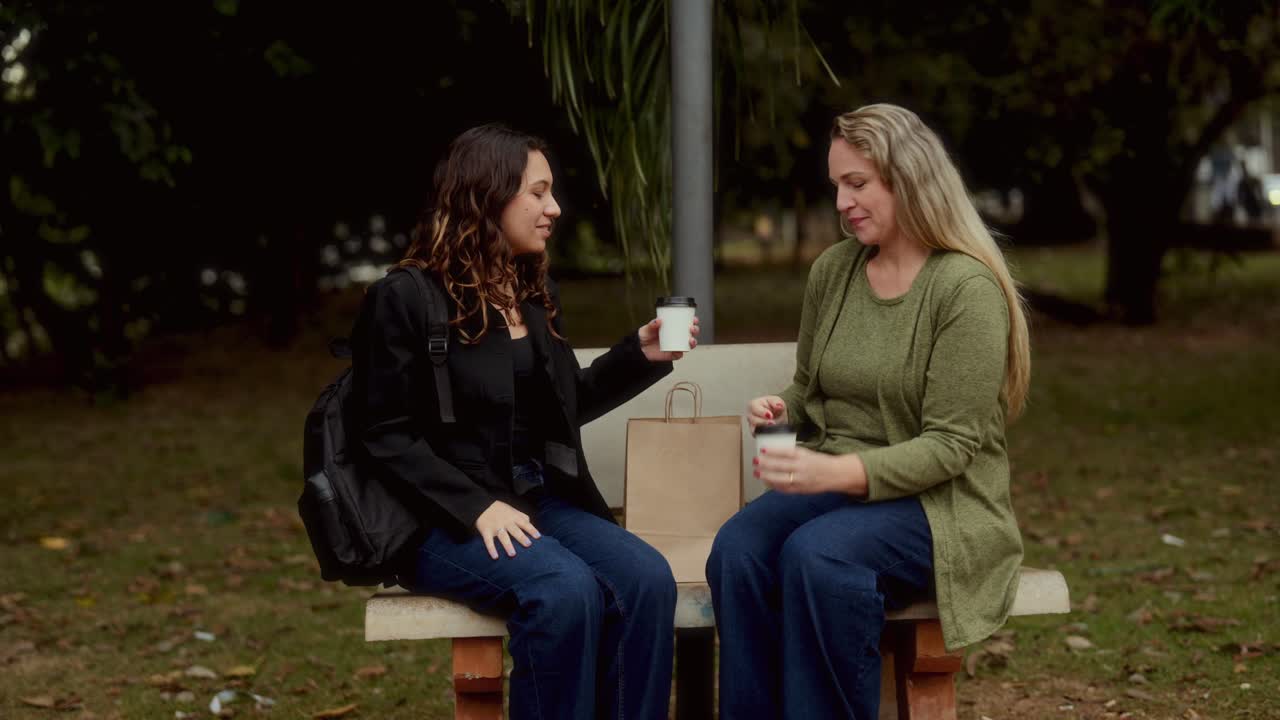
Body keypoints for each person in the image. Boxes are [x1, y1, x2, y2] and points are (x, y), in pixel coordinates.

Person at [350, 124, 697, 719]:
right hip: (441, 520)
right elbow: (383, 433)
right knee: (564, 592)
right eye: (538, 193)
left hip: (536, 504)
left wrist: (637, 356)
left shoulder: (530, 289)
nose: (554, 208)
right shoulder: (406, 298)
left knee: (645, 580)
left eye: (552, 193)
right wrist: (476, 507)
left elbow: (560, 409)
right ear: (488, 197)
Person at [706, 103, 1031, 719]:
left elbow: (951, 447)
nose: (841, 201)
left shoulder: (965, 289)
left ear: (907, 178)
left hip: (942, 504)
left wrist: (836, 473)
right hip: (846, 488)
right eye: (836, 185)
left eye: (857, 183)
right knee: (738, 548)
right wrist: (782, 407)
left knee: (819, 554)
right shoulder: (836, 271)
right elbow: (808, 388)